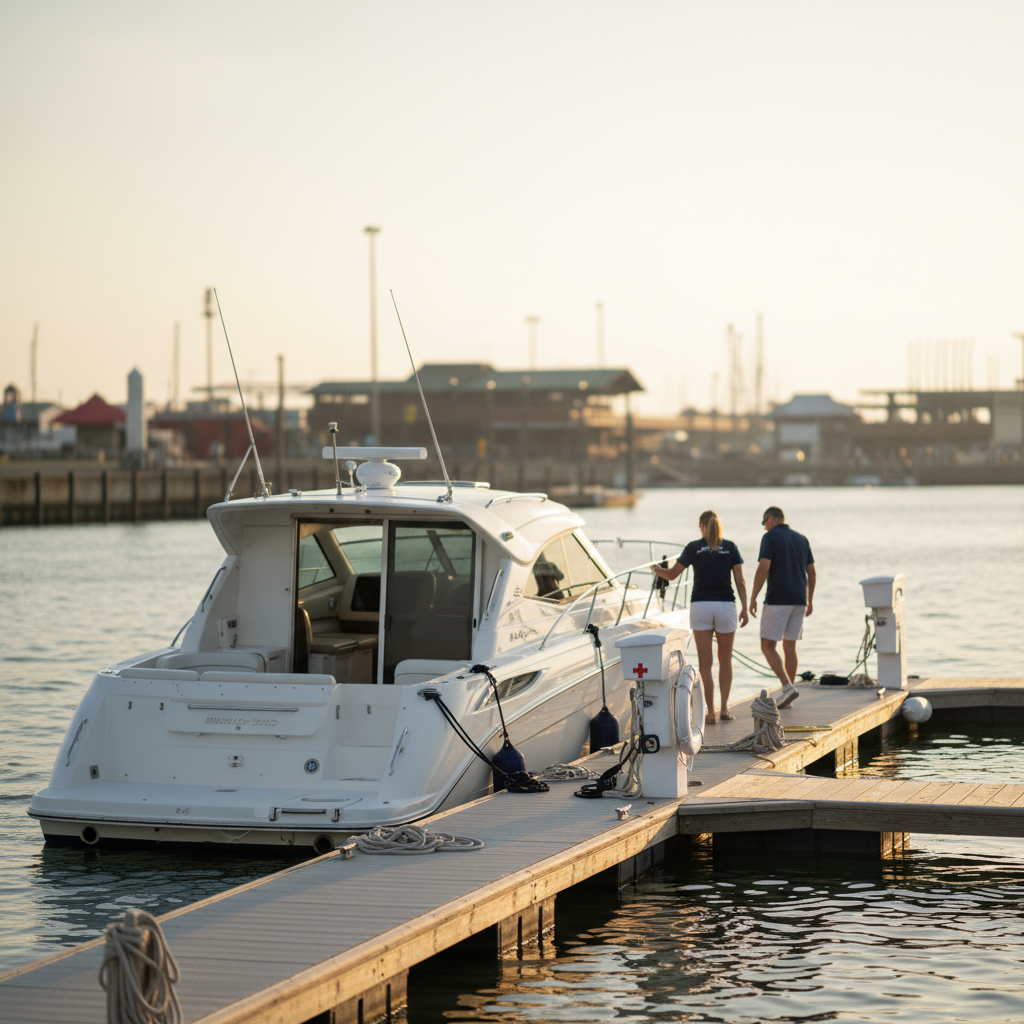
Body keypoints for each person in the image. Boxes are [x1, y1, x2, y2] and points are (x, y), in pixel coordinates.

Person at [653, 510, 748, 723]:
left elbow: (671, 575)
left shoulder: (694, 547)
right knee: (726, 660)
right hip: (725, 605)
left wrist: (655, 570)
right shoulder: (731, 547)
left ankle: (710, 713)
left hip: (701, 605)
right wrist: (744, 606)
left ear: (701, 526)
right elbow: (741, 582)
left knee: (706, 662)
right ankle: (724, 709)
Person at [749, 505, 815, 709]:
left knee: (767, 645)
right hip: (799, 599)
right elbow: (812, 572)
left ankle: (787, 687)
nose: (764, 528)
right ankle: (789, 692)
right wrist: (810, 599)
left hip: (778, 598)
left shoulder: (770, 537)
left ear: (770, 518)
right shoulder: (802, 539)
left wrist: (753, 597)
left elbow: (763, 567)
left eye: (764, 524)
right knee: (790, 646)